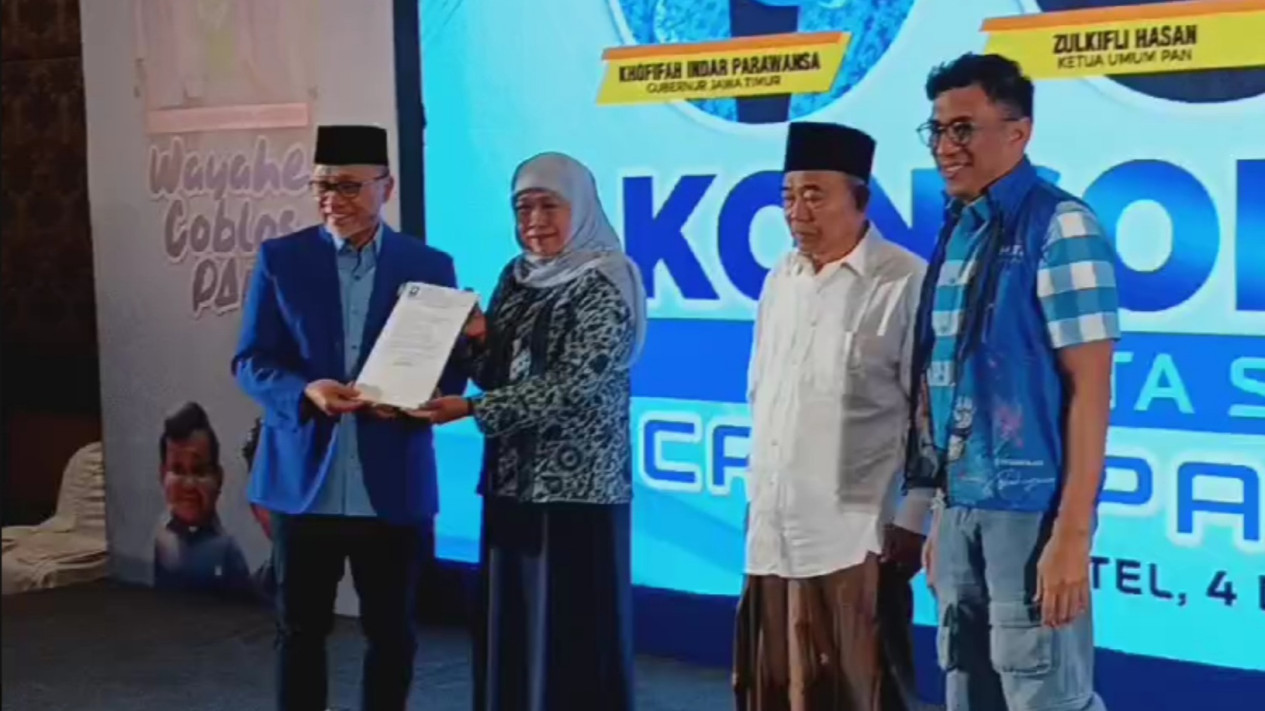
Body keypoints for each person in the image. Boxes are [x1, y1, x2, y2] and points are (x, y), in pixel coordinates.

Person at [906, 54, 1119, 711]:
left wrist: (1072, 535)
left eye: (963, 129)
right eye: (937, 130)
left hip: (1031, 511)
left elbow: (1091, 391)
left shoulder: (1061, 224)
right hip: (962, 506)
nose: (946, 147)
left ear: (1018, 132)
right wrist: (941, 513)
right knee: (967, 686)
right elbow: (949, 390)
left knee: (1044, 695)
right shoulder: (958, 231)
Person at [233, 124, 466, 711]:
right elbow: (251, 361)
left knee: (392, 635)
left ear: (386, 187)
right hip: (303, 483)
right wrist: (305, 390)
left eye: (348, 186)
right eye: (321, 185)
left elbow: (449, 368)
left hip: (391, 482)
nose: (332, 199)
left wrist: (424, 396)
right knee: (299, 632)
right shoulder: (281, 259)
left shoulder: (430, 264)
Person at [418, 152, 646, 711]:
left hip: (578, 491)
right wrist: (476, 338)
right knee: (514, 630)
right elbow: (497, 373)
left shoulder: (606, 280)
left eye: (549, 206)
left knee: (571, 635)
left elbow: (573, 384)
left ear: (581, 208)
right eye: (523, 208)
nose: (535, 221)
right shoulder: (516, 276)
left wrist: (472, 410)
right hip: (512, 481)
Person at [733, 122, 934, 711]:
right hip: (773, 529)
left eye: (815, 196)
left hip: (858, 536)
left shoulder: (904, 280)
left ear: (860, 199)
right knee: (771, 688)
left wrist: (915, 515)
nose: (797, 213)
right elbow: (762, 393)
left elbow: (930, 413)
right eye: (788, 197)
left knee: (860, 690)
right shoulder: (781, 278)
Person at [153, 401, 253, 597]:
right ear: (162, 474)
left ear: (218, 478)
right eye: (178, 470)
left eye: (199, 471)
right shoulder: (156, 538)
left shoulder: (226, 552)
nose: (189, 484)